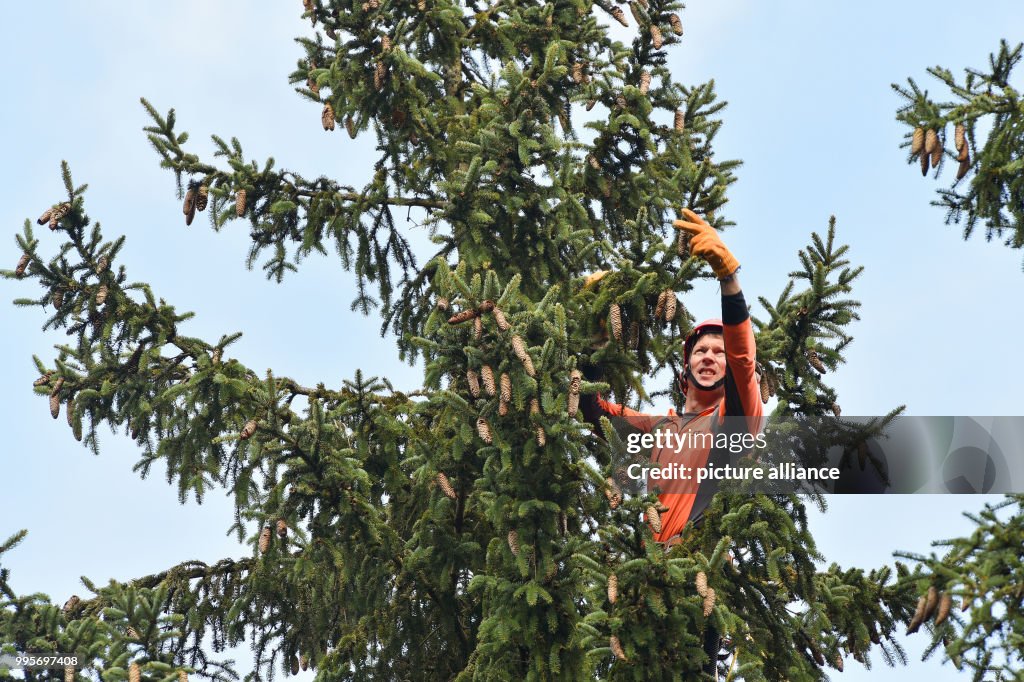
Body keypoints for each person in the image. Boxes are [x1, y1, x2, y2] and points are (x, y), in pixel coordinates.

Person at [581, 208, 764, 545]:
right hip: (655, 573)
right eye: (701, 351)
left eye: (718, 352)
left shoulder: (734, 419)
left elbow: (744, 363)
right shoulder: (658, 428)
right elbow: (591, 410)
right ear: (686, 369)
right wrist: (596, 334)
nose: (710, 356)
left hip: (702, 566)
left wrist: (728, 277)